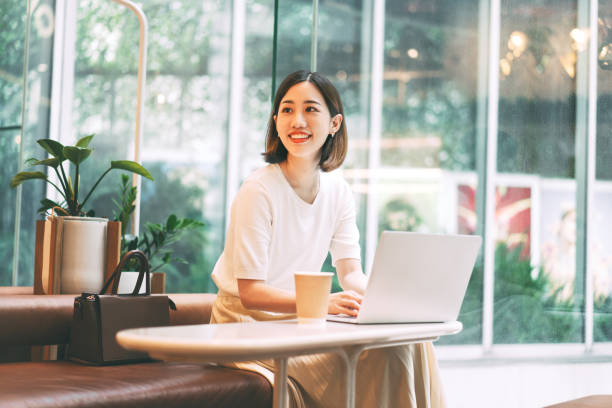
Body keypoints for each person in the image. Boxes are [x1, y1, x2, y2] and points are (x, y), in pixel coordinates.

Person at [211, 70, 446, 408]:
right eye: (288, 110)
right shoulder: (258, 190)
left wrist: (391, 303)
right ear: (276, 121)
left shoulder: (338, 191)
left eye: (311, 109)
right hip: (245, 329)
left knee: (410, 342)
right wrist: (320, 304)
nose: (298, 121)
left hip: (301, 323)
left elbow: (351, 275)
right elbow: (250, 293)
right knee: (385, 357)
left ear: (335, 123)